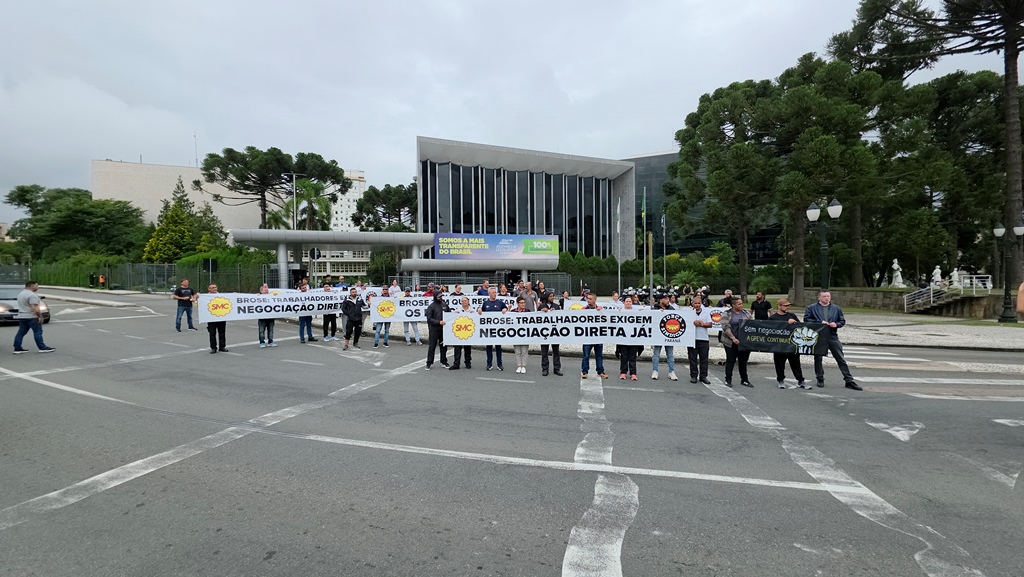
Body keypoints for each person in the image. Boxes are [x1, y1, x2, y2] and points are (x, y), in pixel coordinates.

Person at [803, 290, 861, 391]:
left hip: (832, 336)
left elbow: (842, 321)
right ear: (819, 297)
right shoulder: (811, 308)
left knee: (840, 358)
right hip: (818, 336)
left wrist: (836, 324)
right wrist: (820, 322)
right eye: (824, 296)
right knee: (818, 358)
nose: (827, 298)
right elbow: (807, 320)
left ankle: (849, 380)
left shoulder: (836, 308)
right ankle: (820, 378)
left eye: (828, 296)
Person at [770, 298, 808, 389]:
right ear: (779, 306)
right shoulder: (773, 318)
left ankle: (800, 380)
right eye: (785, 305)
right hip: (779, 345)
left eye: (788, 305)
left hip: (792, 345)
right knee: (779, 364)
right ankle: (780, 380)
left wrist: (794, 323)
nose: (788, 307)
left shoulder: (792, 315)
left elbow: (800, 327)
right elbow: (769, 330)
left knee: (796, 364)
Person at [13, 280, 54, 354]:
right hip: (31, 316)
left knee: (21, 332)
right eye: (36, 285)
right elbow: (34, 306)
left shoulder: (21, 294)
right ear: (32, 286)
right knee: (38, 332)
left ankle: (17, 348)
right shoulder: (32, 295)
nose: (38, 287)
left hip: (22, 316)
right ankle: (42, 347)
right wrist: (40, 316)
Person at [720, 296, 752, 387]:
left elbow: (753, 325)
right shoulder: (727, 314)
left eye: (741, 303)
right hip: (730, 341)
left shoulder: (746, 313)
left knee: (743, 361)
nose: (741, 305)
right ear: (733, 305)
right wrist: (733, 338)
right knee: (731, 360)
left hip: (744, 342)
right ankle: (728, 379)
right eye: (739, 304)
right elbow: (725, 327)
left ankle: (744, 380)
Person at [478, 286, 508, 370]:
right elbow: (481, 312)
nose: (495, 294)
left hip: (498, 329)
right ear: (489, 294)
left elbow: (506, 309)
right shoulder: (486, 303)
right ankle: (489, 364)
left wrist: (505, 309)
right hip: (488, 329)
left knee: (498, 347)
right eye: (493, 292)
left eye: (496, 292)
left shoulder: (500, 303)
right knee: (489, 347)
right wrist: (479, 309)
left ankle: (499, 364)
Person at [650, 291, 678, 381]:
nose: (668, 300)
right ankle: (655, 371)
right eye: (665, 299)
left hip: (668, 335)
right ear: (660, 300)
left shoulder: (671, 309)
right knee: (656, 354)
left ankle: (671, 371)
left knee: (670, 354)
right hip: (658, 335)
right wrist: (658, 313)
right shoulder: (654, 309)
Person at [580, 292, 608, 379]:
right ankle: (584, 371)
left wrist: (602, 312)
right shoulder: (584, 309)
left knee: (599, 355)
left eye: (590, 299)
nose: (588, 300)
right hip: (588, 336)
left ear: (595, 300)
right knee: (586, 355)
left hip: (598, 336)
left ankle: (600, 371)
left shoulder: (600, 309)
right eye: (587, 298)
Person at [687, 297, 712, 384]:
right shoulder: (689, 312)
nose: (697, 305)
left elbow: (710, 324)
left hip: (704, 338)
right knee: (692, 359)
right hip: (692, 339)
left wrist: (702, 324)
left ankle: (703, 376)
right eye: (695, 303)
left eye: (699, 303)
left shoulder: (706, 312)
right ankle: (693, 376)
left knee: (704, 359)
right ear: (692, 303)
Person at [539, 291, 562, 376]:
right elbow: (536, 318)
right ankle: (545, 368)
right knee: (544, 352)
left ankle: (557, 368)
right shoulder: (541, 306)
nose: (552, 298)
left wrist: (554, 311)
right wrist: (541, 312)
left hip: (554, 332)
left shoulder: (556, 306)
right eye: (551, 296)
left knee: (556, 351)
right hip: (544, 332)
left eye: (553, 296)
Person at [425, 291, 450, 370]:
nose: (440, 297)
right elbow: (429, 319)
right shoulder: (431, 307)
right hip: (434, 329)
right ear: (435, 296)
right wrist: (438, 322)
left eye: (441, 296)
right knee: (432, 346)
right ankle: (429, 363)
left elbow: (450, 314)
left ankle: (444, 361)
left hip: (443, 329)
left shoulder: (445, 305)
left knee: (443, 346)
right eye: (439, 296)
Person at [618, 296, 640, 380]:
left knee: (632, 357)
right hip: (623, 338)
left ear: (632, 302)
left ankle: (633, 373)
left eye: (630, 301)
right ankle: (623, 372)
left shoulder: (636, 312)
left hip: (633, 338)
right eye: (626, 301)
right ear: (624, 303)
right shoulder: (620, 312)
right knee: (624, 356)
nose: (628, 303)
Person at [449, 296, 474, 370]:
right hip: (459, 331)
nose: (464, 302)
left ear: (468, 302)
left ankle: (468, 362)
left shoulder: (472, 310)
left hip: (468, 331)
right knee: (457, 348)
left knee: (467, 348)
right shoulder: (458, 310)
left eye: (465, 301)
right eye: (462, 301)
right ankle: (456, 363)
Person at [509, 296, 531, 373]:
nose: (523, 304)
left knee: (524, 351)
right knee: (517, 351)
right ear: (517, 303)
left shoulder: (528, 311)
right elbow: (507, 320)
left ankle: (524, 366)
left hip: (525, 334)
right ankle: (519, 365)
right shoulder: (513, 312)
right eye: (521, 303)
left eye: (524, 303)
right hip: (515, 334)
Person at [206, 283, 227, 354]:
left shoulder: (221, 296)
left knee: (222, 333)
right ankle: (213, 347)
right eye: (212, 288)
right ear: (208, 289)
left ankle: (222, 346)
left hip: (221, 317)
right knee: (212, 333)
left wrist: (234, 295)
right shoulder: (205, 297)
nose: (214, 289)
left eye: (215, 287)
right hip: (210, 318)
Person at [257, 283, 277, 348]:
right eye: (265, 289)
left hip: (270, 316)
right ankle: (262, 342)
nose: (266, 290)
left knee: (271, 330)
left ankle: (270, 341)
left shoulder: (271, 296)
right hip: (262, 317)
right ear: (261, 291)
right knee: (261, 330)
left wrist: (276, 296)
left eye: (267, 289)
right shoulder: (258, 297)